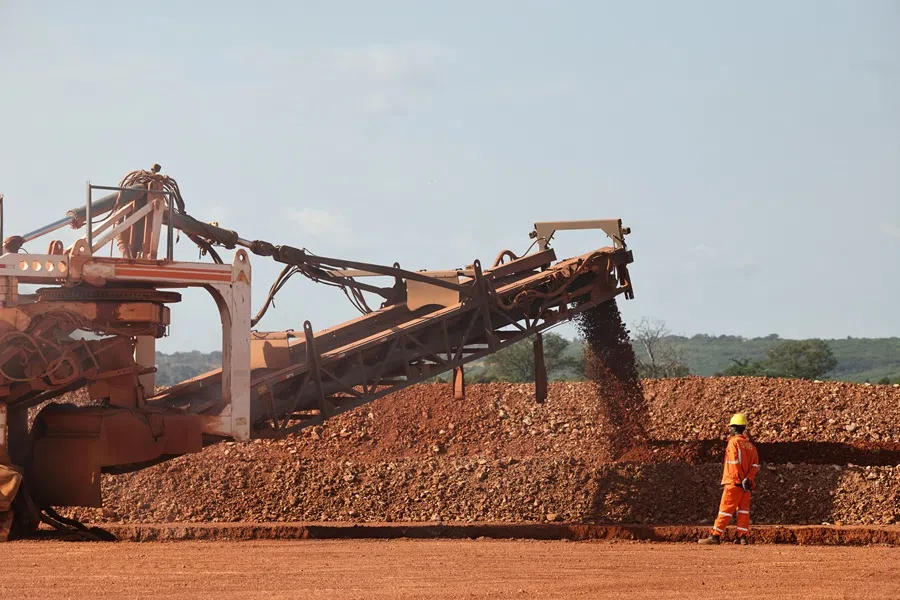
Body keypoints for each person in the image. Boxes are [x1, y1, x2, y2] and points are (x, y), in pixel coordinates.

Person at [698, 413, 759, 545]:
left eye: (731, 427)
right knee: (743, 511)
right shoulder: (751, 447)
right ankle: (742, 536)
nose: (729, 430)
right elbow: (755, 466)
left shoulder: (733, 443)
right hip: (746, 485)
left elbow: (733, 463)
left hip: (734, 483)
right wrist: (747, 480)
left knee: (725, 510)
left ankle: (715, 535)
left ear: (734, 428)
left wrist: (739, 479)